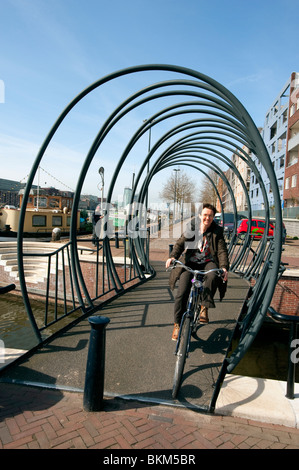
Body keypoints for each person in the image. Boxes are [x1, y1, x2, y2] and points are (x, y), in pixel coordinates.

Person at [166, 203, 229, 341]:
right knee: (181, 293)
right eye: (205, 215)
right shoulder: (192, 227)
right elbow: (181, 243)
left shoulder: (217, 231)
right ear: (200, 215)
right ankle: (177, 324)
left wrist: (224, 267)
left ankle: (203, 306)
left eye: (210, 216)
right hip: (191, 263)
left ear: (213, 217)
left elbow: (222, 250)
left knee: (213, 275)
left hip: (208, 261)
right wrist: (173, 257)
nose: (208, 218)